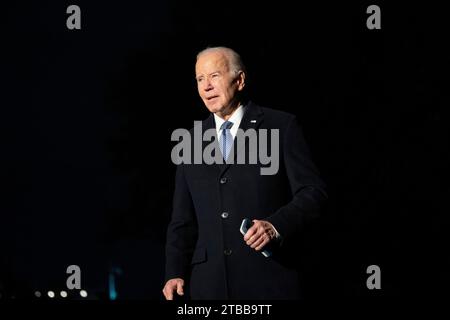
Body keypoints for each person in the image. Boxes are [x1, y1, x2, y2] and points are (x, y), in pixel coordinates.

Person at [163, 46, 327, 300]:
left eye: (214, 75)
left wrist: (276, 225)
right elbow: (182, 220)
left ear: (239, 80)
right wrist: (174, 272)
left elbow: (313, 193)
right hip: (209, 287)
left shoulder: (281, 126)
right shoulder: (189, 142)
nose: (206, 86)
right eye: (199, 79)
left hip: (269, 280)